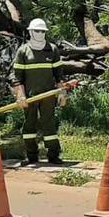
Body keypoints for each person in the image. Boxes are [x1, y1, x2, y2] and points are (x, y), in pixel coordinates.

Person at [11, 18, 67, 165]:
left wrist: (62, 92)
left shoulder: (52, 49)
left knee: (49, 123)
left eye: (43, 31)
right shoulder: (23, 51)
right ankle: (31, 156)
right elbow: (17, 78)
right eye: (37, 31)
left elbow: (58, 74)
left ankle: (53, 155)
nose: (40, 34)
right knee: (29, 125)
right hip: (29, 96)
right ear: (30, 32)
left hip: (48, 95)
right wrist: (20, 95)